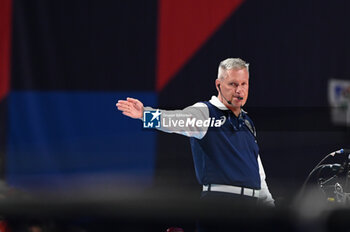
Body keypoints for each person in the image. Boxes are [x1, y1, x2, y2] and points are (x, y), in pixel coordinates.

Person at [116, 58, 274, 207]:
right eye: (233, 84)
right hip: (222, 205)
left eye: (243, 84)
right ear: (218, 85)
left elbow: (257, 172)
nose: (239, 90)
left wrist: (269, 205)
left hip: (253, 208)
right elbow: (174, 120)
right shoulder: (205, 112)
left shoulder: (247, 122)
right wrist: (145, 113)